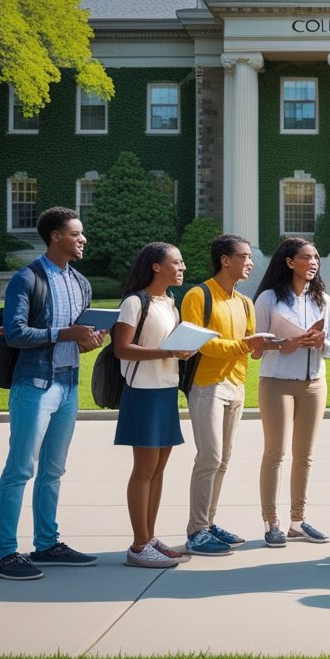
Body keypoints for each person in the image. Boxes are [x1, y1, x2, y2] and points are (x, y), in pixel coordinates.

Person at [0, 207, 105, 581]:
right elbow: (16, 333)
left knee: (53, 470)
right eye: (75, 233)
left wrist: (89, 338)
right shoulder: (27, 279)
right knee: (20, 468)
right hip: (35, 385)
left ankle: (46, 543)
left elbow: (79, 338)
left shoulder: (80, 282)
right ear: (55, 236)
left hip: (69, 384)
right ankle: (4, 553)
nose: (82, 239)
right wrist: (65, 332)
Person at [181, 234, 275, 556]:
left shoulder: (245, 302)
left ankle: (208, 522)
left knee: (222, 461)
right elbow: (198, 343)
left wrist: (271, 344)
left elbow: (250, 346)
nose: (250, 262)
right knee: (209, 457)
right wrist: (244, 346)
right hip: (208, 385)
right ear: (225, 260)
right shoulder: (198, 295)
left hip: (236, 385)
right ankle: (196, 531)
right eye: (244, 256)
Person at [253, 238, 330, 547]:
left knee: (305, 456)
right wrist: (284, 344)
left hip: (314, 383)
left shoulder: (323, 300)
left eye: (317, 257)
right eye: (308, 257)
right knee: (275, 453)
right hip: (276, 381)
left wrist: (321, 343)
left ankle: (297, 522)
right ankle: (271, 523)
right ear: (290, 262)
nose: (315, 262)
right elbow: (255, 348)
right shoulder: (267, 299)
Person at [112, 243, 195, 568]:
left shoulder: (169, 303)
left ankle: (149, 537)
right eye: (176, 262)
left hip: (165, 391)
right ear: (156, 266)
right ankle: (138, 545)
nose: (182, 267)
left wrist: (182, 350)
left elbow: (167, 347)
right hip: (142, 392)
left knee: (158, 470)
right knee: (144, 470)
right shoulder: (135, 302)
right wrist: (166, 352)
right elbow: (122, 349)